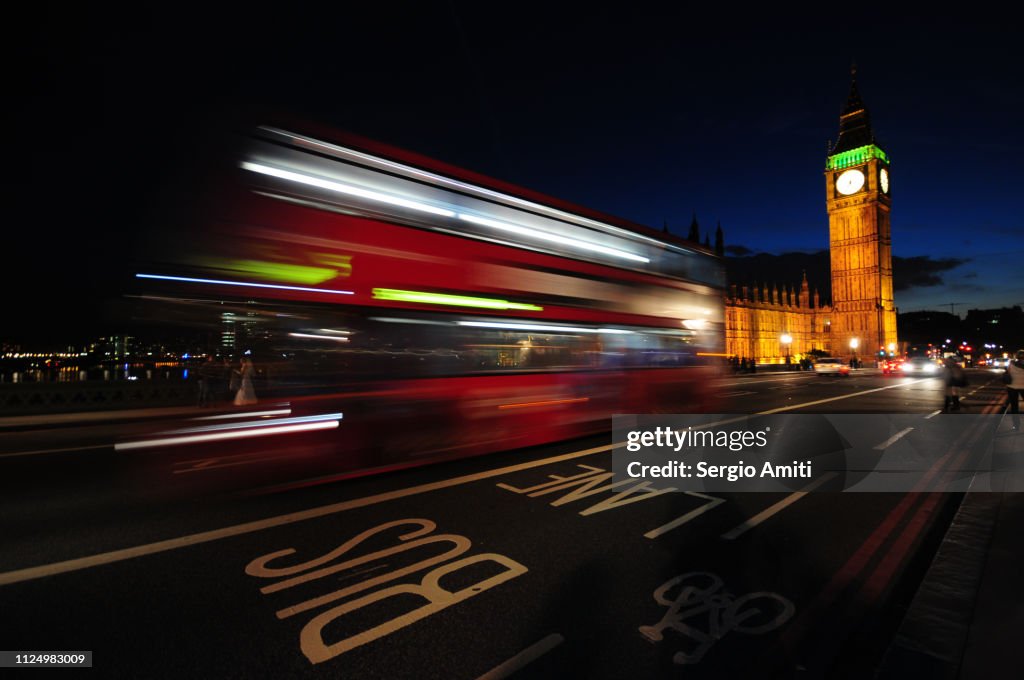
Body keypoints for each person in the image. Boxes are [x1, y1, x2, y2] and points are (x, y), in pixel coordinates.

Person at [1005, 350, 1024, 430]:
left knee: (1014, 407)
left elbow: (1007, 373)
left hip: (1012, 387)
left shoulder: (1011, 364)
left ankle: (1016, 425)